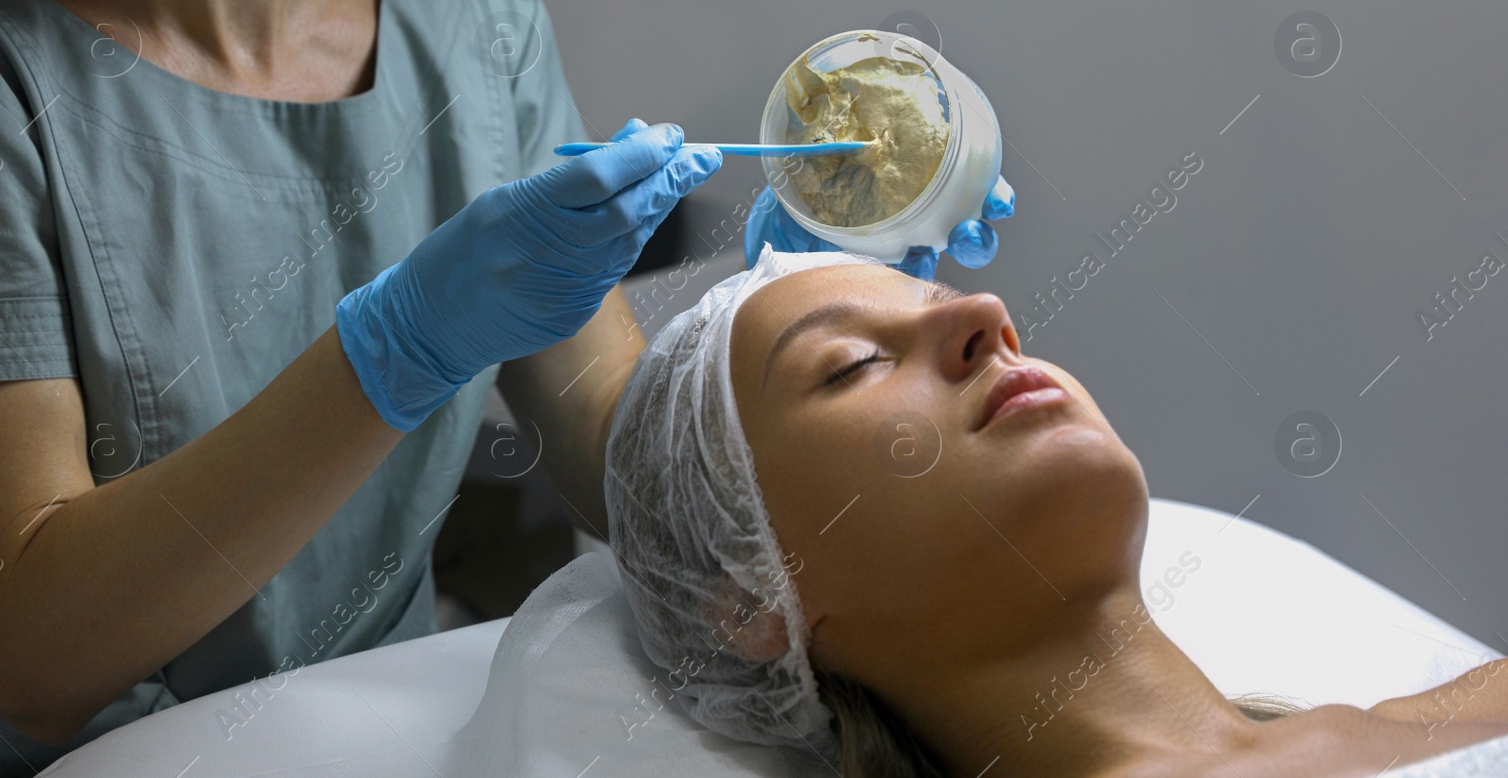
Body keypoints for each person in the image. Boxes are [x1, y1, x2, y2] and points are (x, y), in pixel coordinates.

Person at [0, 0, 1012, 773]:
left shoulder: (479, 29)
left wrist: (803, 283)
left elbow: (620, 471)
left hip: (350, 736)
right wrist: (400, 346)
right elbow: (31, 652)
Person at [604, 245, 1508, 777]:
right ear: (754, 601)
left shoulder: (1424, 721)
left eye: (953, 303)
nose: (992, 316)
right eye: (851, 364)